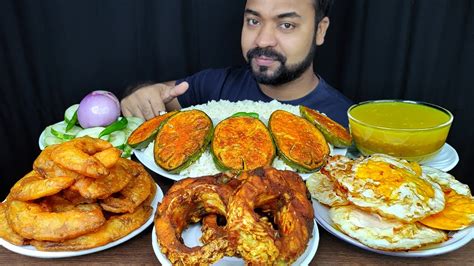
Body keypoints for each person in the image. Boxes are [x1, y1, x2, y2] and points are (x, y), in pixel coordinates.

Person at [121, 0, 352, 126]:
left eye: (286, 25)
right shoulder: (212, 86)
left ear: (320, 30)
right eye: (253, 21)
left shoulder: (346, 121)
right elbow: (154, 97)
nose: (263, 40)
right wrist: (140, 95)